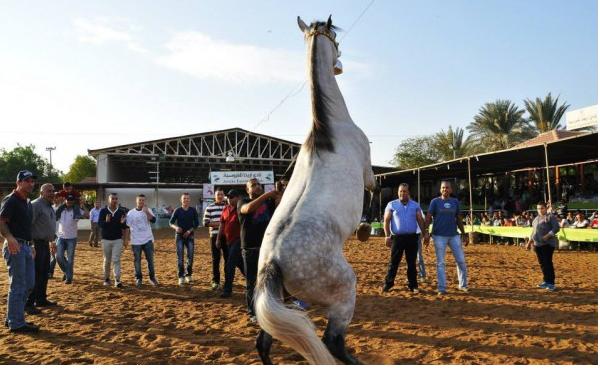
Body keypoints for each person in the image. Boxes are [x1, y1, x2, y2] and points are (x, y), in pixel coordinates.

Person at [0, 170, 39, 333]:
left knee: (29, 284)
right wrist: (9, 238)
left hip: (26, 246)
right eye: (27, 180)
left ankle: (13, 317)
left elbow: (27, 227)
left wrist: (31, 245)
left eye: (32, 181)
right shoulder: (11, 200)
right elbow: (1, 221)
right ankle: (16, 322)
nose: (31, 183)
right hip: (14, 246)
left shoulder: (27, 202)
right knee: (18, 285)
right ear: (19, 182)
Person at [238, 178, 281, 322]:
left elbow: (279, 206)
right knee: (252, 282)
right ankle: (253, 312)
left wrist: (279, 193)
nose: (257, 187)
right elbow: (248, 209)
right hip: (250, 249)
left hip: (268, 248)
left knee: (269, 281)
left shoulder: (268, 203)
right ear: (247, 190)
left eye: (258, 185)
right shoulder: (242, 202)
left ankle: (269, 309)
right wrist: (267, 195)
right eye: (253, 185)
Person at [382, 184, 428, 294]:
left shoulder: (415, 205)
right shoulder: (391, 205)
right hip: (397, 238)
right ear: (398, 192)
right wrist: (387, 235)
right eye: (401, 191)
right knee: (394, 262)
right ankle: (388, 283)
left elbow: (420, 220)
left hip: (412, 238)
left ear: (409, 193)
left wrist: (425, 233)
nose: (403, 193)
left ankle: (413, 285)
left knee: (411, 263)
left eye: (405, 191)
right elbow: (386, 221)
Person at [425, 181, 469, 295]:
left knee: (461, 261)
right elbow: (429, 217)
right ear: (440, 190)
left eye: (447, 188)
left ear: (451, 190)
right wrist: (426, 232)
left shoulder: (455, 202)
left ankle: (463, 285)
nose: (445, 189)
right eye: (443, 188)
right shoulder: (434, 202)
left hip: (454, 235)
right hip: (438, 236)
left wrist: (464, 233)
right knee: (441, 263)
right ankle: (442, 288)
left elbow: (458, 218)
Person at [25, 183, 58, 315]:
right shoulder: (35, 205)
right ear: (41, 192)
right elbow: (28, 225)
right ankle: (29, 303)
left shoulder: (50, 206)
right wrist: (31, 244)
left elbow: (48, 226)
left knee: (44, 273)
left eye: (53, 191)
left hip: (45, 243)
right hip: (36, 244)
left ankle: (41, 299)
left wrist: (52, 241)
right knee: (35, 274)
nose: (52, 193)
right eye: (49, 191)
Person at [526, 202, 560, 291]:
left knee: (548, 263)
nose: (540, 210)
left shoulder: (550, 217)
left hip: (548, 244)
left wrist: (548, 235)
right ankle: (546, 281)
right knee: (542, 264)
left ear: (546, 208)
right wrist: (529, 242)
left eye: (542, 208)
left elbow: (556, 228)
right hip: (537, 245)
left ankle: (551, 283)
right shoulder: (535, 219)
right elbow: (533, 232)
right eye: (538, 208)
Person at [218, 189, 246, 298]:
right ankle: (255, 281)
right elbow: (222, 224)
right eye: (228, 197)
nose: (229, 199)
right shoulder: (225, 209)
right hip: (228, 241)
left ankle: (227, 290)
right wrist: (218, 239)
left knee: (229, 264)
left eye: (232, 197)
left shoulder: (241, 208)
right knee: (240, 264)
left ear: (238, 197)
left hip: (239, 240)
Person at [126, 194, 158, 287]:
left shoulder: (148, 210)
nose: (141, 202)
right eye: (139, 200)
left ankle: (152, 278)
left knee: (150, 260)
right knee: (137, 261)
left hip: (148, 239)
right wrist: (127, 239)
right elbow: (127, 226)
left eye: (143, 200)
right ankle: (138, 278)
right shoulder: (131, 213)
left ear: (145, 201)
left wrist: (146, 212)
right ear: (136, 201)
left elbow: (154, 220)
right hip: (136, 241)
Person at [98, 193, 128, 288]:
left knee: (116, 259)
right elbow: (100, 224)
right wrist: (106, 221)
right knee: (107, 260)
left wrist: (123, 224)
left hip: (117, 240)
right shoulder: (103, 211)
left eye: (116, 199)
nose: (114, 200)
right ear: (109, 200)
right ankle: (106, 278)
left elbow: (124, 226)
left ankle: (117, 280)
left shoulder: (121, 212)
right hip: (106, 239)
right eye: (112, 199)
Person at [169, 192, 199, 286]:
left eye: (187, 198)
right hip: (179, 236)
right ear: (181, 200)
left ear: (189, 200)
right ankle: (181, 276)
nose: (186, 200)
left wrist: (189, 231)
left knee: (190, 256)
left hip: (190, 235)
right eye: (184, 198)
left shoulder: (193, 210)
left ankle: (188, 275)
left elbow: (197, 223)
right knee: (180, 257)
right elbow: (171, 222)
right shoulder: (177, 210)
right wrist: (176, 227)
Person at [203, 189, 227, 290]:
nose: (220, 196)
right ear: (215, 196)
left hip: (226, 236)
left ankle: (227, 280)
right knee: (215, 259)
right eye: (218, 195)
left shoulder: (227, 207)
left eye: (221, 194)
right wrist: (221, 224)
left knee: (227, 259)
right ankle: (215, 281)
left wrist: (217, 224)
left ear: (224, 195)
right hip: (214, 236)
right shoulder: (210, 207)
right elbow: (205, 223)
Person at [55, 193, 81, 284]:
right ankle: (67, 272)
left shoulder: (76, 210)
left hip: (71, 238)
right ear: (65, 201)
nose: (69, 202)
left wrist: (82, 205)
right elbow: (54, 216)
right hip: (61, 237)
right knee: (58, 256)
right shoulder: (60, 209)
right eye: (68, 200)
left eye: (71, 201)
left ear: (73, 202)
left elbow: (81, 215)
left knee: (70, 259)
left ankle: (69, 278)